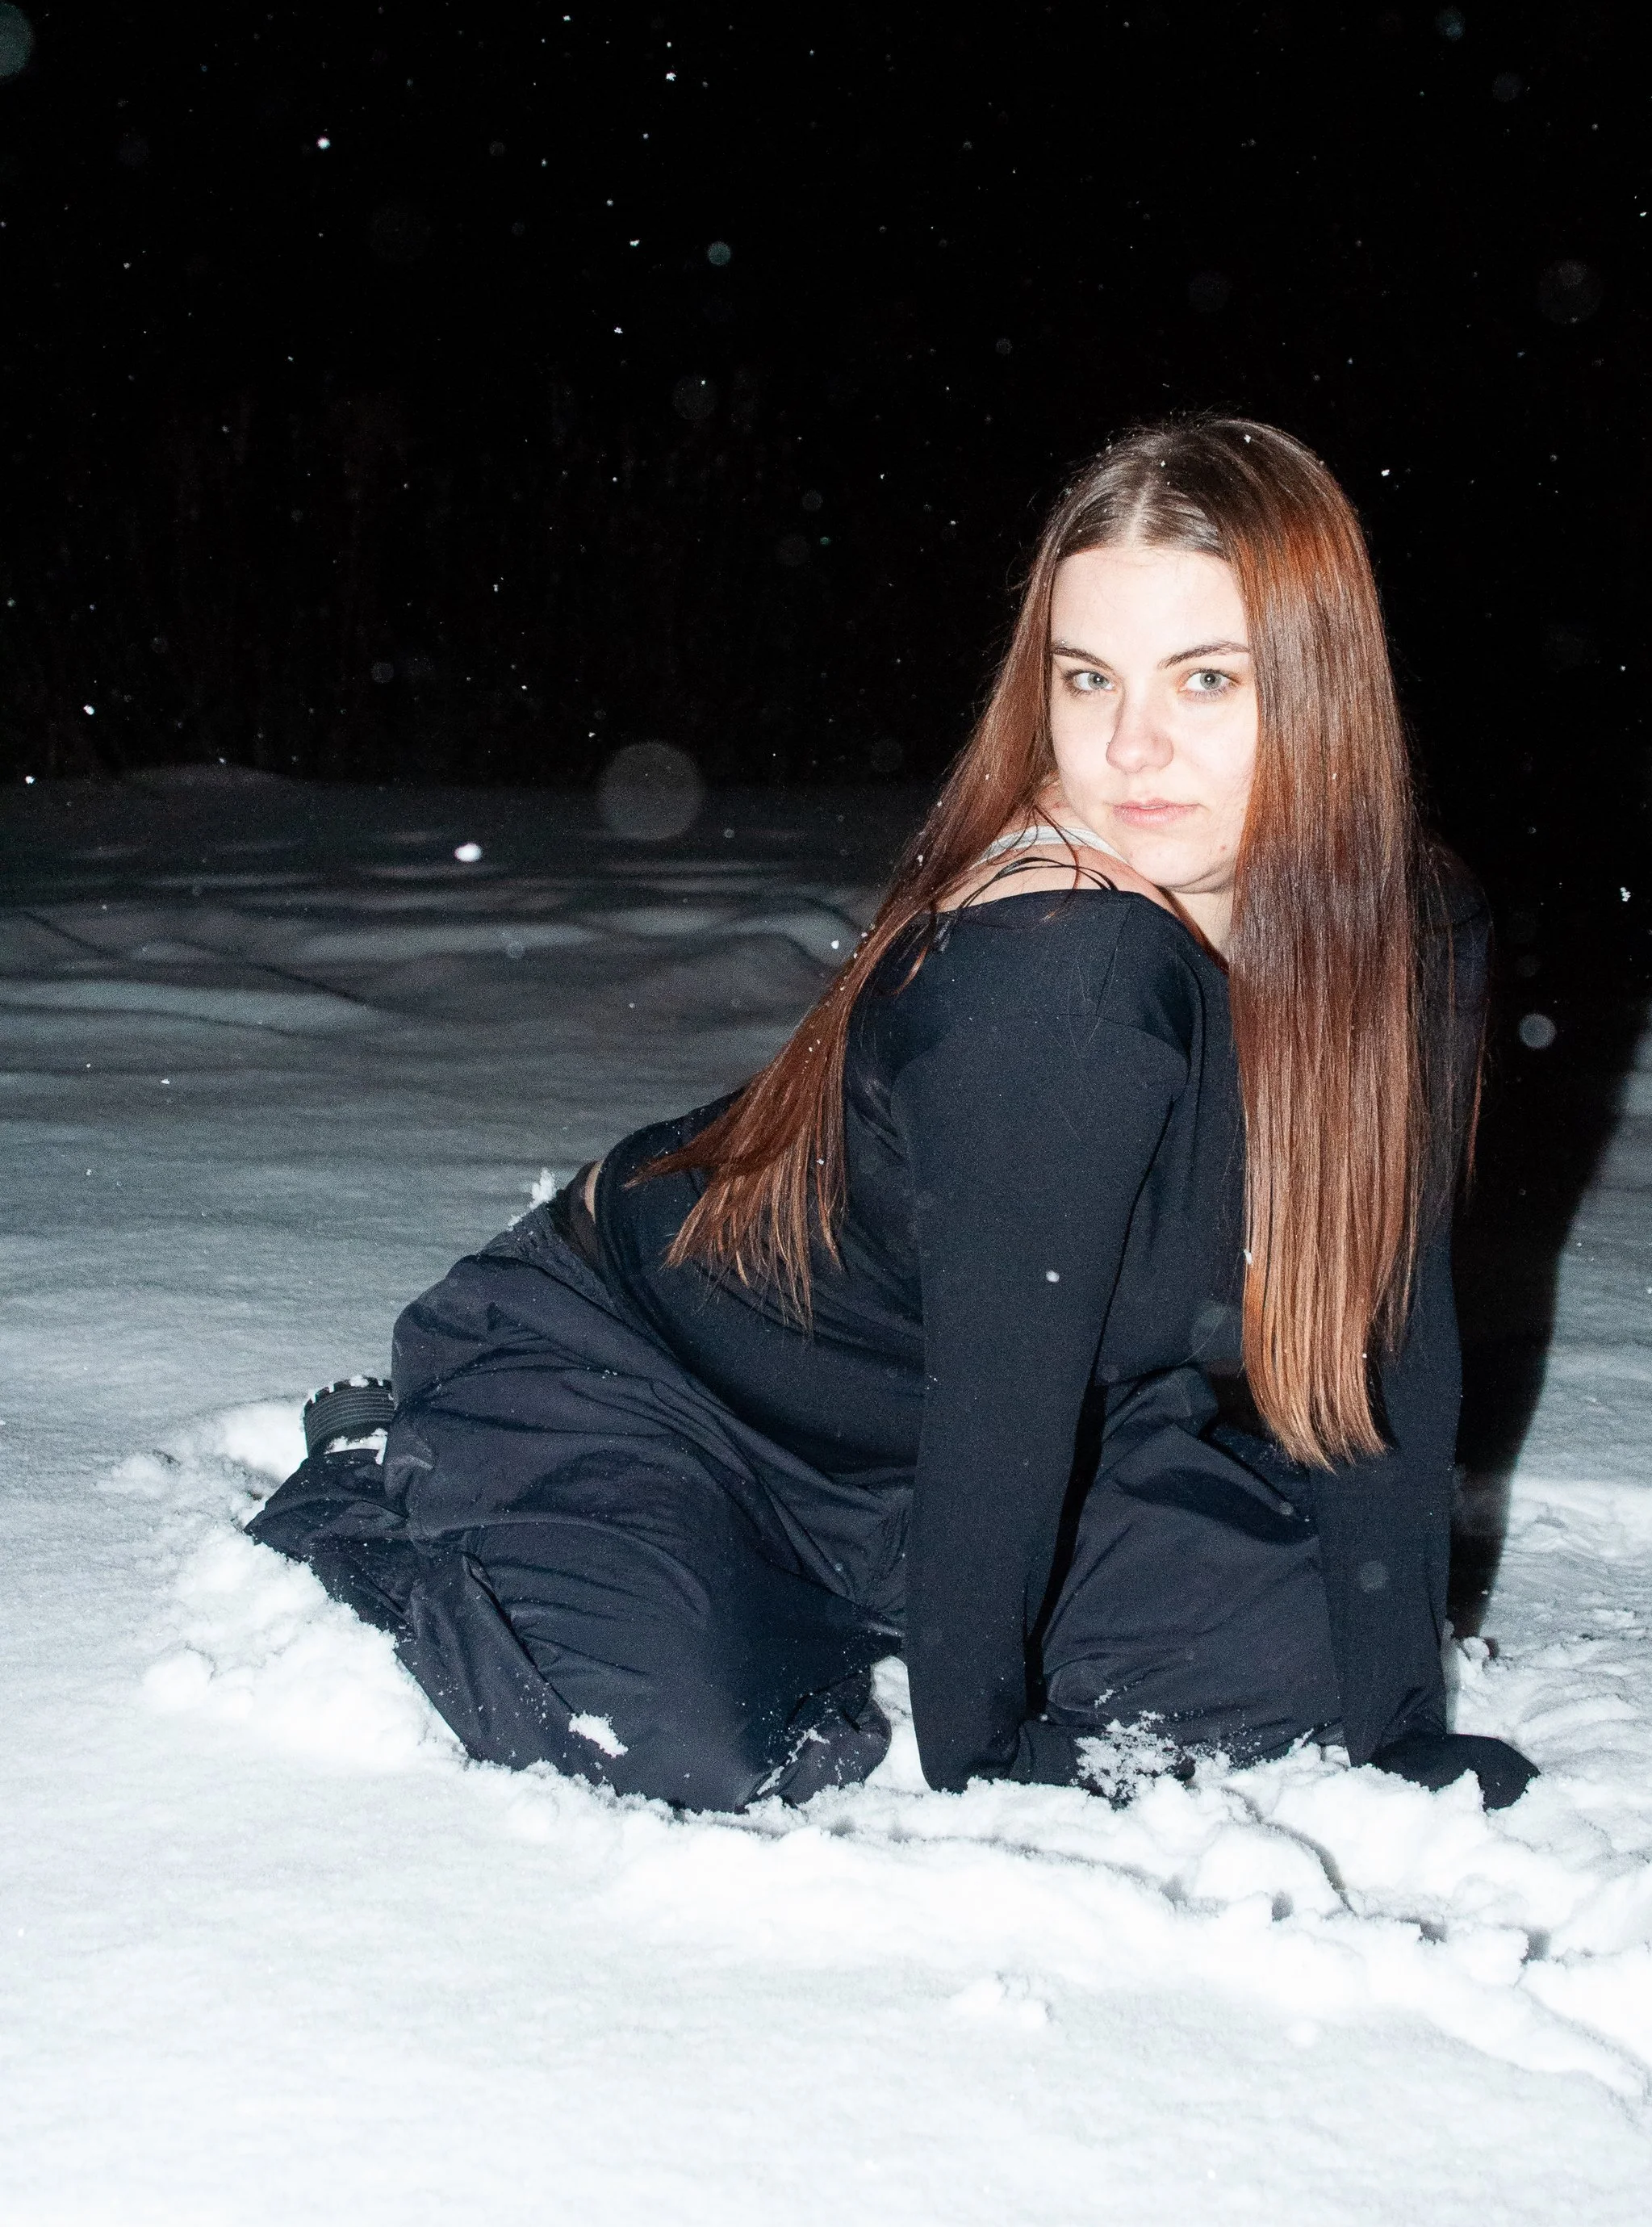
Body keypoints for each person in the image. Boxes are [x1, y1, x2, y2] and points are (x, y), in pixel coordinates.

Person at [250, 417, 1535, 1815]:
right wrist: (982, 1753)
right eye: (1086, 677)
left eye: (1208, 678)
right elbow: (1000, 1408)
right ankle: (394, 1481)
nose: (1129, 745)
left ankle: (828, 1601)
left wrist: (1397, 1722)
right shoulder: (1063, 969)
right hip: (656, 1387)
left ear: (1322, 686)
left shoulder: (1406, 938)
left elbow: (1388, 1328)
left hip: (934, 1461)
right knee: (698, 1749)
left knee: (1299, 1675)